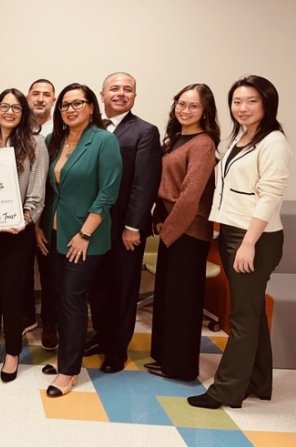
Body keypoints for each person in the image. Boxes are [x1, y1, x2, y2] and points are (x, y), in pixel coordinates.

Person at [189, 75, 292, 409]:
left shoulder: (273, 142)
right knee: (252, 313)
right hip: (236, 233)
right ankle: (259, 381)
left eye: (251, 101)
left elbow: (270, 194)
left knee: (242, 318)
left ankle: (226, 391)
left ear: (267, 103)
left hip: (256, 238)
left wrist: (248, 242)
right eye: (237, 101)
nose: (242, 108)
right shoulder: (242, 137)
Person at [40, 83, 121, 397]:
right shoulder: (53, 140)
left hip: (85, 236)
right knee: (61, 297)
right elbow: (49, 190)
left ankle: (69, 372)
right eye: (65, 105)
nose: (70, 109)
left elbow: (107, 192)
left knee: (73, 300)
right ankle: (66, 358)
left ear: (91, 107)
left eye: (77, 103)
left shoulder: (104, 141)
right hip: (55, 232)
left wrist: (85, 234)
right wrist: (39, 227)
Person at [86, 72, 161, 374]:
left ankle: (117, 349)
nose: (120, 93)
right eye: (114, 89)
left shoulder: (144, 131)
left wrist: (134, 226)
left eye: (127, 89)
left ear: (134, 96)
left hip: (124, 229)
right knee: (98, 287)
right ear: (101, 95)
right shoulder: (90, 128)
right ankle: (101, 338)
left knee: (124, 288)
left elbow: (144, 183)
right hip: (93, 226)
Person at [0, 88, 48, 383]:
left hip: (17, 234)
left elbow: (38, 193)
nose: (9, 112)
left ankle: (13, 351)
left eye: (16, 108)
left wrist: (26, 220)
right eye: (4, 106)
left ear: (23, 113)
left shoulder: (35, 144)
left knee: (12, 293)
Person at [148, 84, 219, 381]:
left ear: (205, 111)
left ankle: (181, 368)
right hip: (171, 229)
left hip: (188, 233)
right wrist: (158, 219)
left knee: (183, 303)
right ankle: (166, 359)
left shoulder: (203, 144)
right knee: (168, 298)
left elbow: (190, 196)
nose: (185, 110)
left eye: (193, 106)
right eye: (181, 103)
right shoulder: (176, 139)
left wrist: (167, 231)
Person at [26, 78, 58, 349]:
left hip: (52, 213)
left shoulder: (62, 130)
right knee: (22, 272)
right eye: (35, 93)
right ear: (28, 98)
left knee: (50, 274)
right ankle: (25, 318)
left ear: (53, 100)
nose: (40, 98)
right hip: (24, 214)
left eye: (46, 94)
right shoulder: (17, 128)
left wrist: (40, 220)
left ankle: (50, 325)